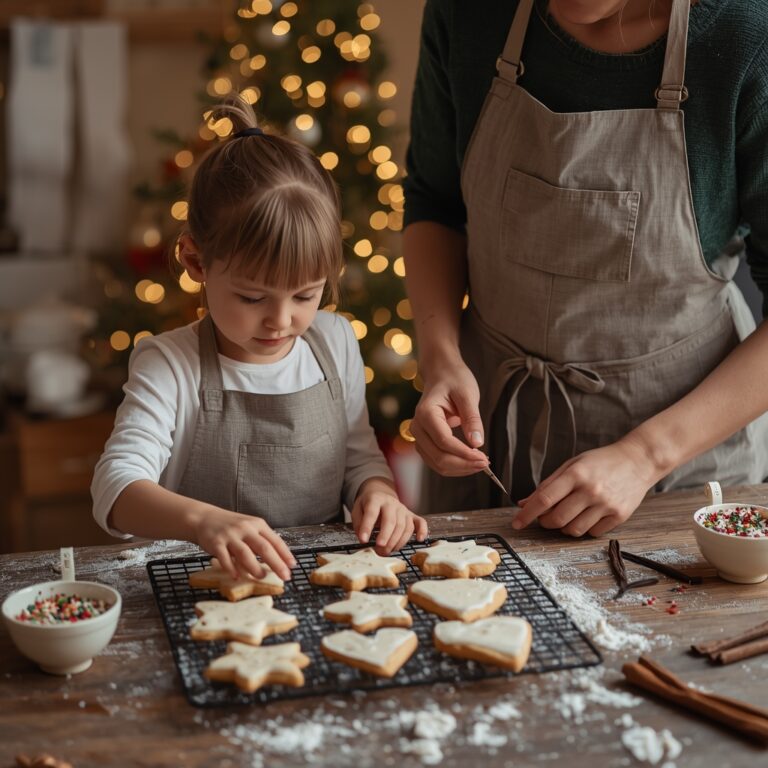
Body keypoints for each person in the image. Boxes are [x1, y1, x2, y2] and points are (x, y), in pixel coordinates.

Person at [403, 0, 768, 536]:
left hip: (682, 471)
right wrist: (440, 362)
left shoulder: (745, 37)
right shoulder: (466, 13)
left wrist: (643, 455)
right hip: (490, 449)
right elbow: (433, 203)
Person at [92, 97, 428, 581]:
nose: (281, 320)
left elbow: (358, 456)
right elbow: (115, 487)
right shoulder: (170, 364)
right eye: (252, 298)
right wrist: (204, 522)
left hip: (319, 585)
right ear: (196, 262)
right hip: (203, 587)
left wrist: (377, 492)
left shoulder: (334, 341)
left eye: (306, 295)